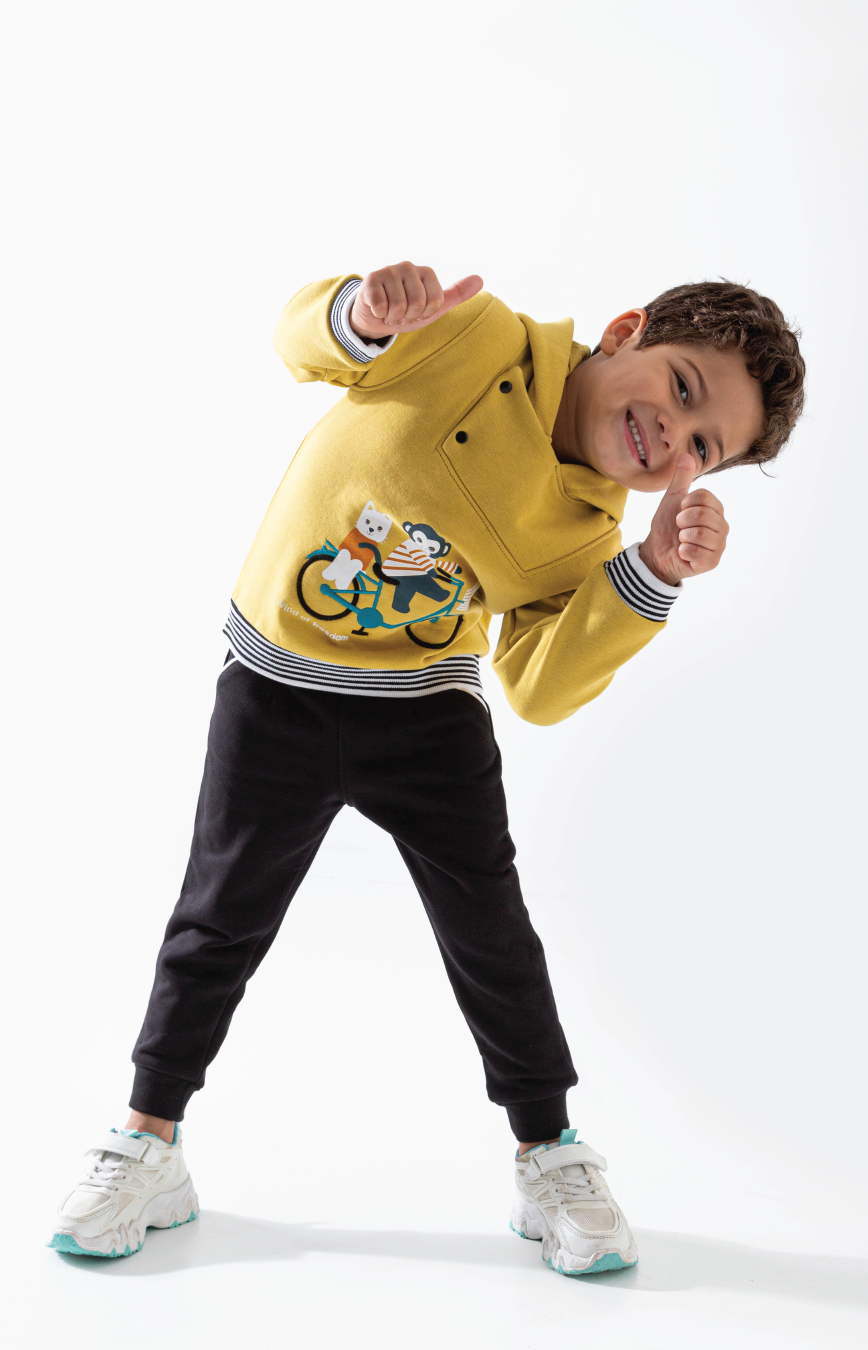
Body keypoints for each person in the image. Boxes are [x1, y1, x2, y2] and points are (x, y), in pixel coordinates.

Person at [50, 262, 805, 1274]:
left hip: (425, 715)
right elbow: (296, 344)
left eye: (704, 446)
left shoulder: (586, 540)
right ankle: (149, 1139)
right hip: (276, 685)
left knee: (492, 936)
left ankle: (549, 1154)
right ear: (627, 330)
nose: (675, 434)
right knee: (217, 916)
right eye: (681, 387)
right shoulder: (472, 332)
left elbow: (538, 686)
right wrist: (360, 315)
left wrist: (650, 575)